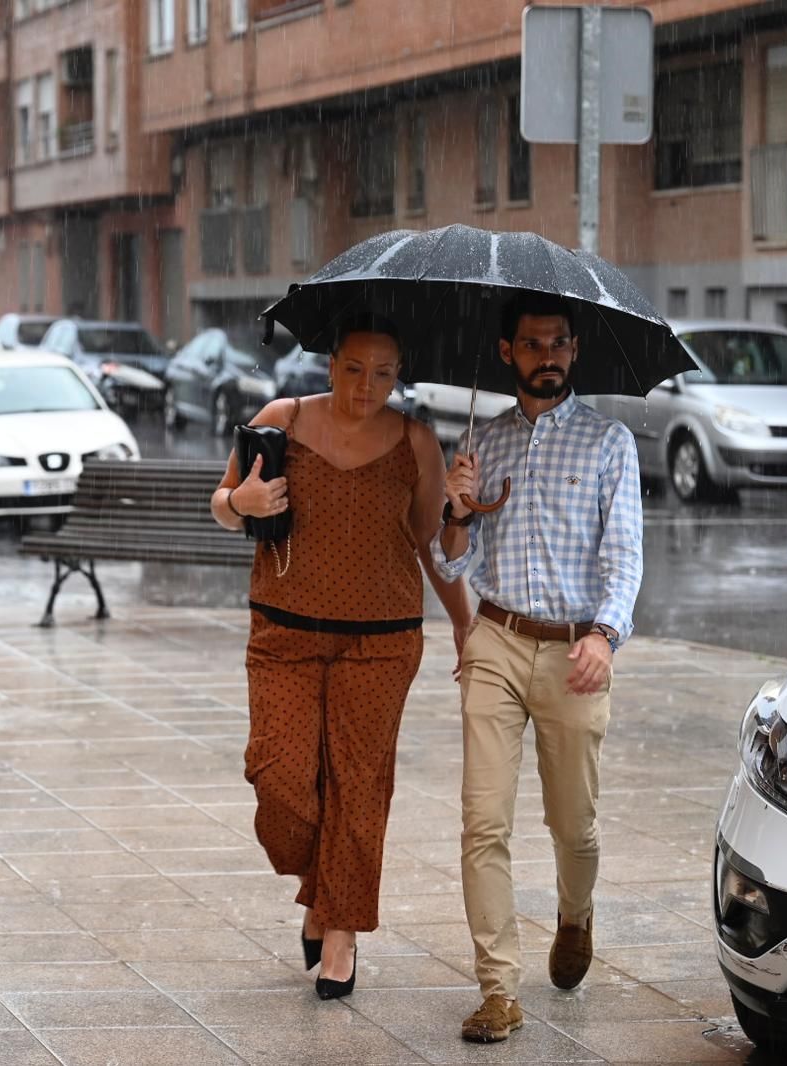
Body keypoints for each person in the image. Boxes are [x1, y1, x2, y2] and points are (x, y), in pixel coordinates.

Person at [209, 316, 473, 1000]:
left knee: (359, 787)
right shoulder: (282, 418)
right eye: (355, 368)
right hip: (283, 633)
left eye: (383, 372)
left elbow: (428, 544)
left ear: (399, 375)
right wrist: (243, 499)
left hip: (382, 640)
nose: (367, 385)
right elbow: (222, 504)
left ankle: (340, 932)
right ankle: (320, 884)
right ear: (330, 365)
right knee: (281, 785)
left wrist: (458, 524)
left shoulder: (417, 440)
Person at [432, 293, 643, 1042]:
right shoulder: (479, 444)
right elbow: (453, 560)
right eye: (531, 344)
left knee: (573, 826)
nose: (546, 355)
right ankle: (498, 991)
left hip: (574, 651)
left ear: (575, 352)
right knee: (482, 821)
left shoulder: (610, 443)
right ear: (506, 352)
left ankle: (575, 914)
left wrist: (605, 637)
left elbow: (625, 558)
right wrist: (455, 513)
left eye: (558, 343)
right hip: (494, 640)